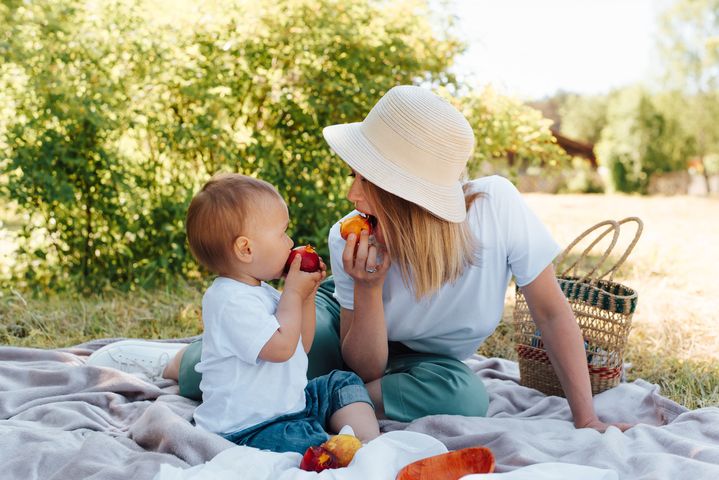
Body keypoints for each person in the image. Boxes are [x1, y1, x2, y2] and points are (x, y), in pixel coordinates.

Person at [89, 86, 630, 432]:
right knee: (207, 380)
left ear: (402, 195)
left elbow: (553, 313)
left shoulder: (498, 209)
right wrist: (366, 288)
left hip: (428, 360)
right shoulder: (345, 238)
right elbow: (365, 361)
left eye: (363, 177)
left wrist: (586, 417)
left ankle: (308, 398)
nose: (351, 191)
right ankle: (178, 359)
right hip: (346, 326)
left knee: (466, 397)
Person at [90, 173, 380, 454]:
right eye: (282, 233)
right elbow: (280, 348)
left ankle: (368, 443)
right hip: (249, 428)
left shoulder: (262, 290)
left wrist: (306, 297)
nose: (291, 242)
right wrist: (293, 293)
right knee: (306, 445)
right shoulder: (228, 300)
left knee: (340, 382)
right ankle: (343, 453)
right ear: (245, 249)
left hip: (290, 407)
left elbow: (300, 346)